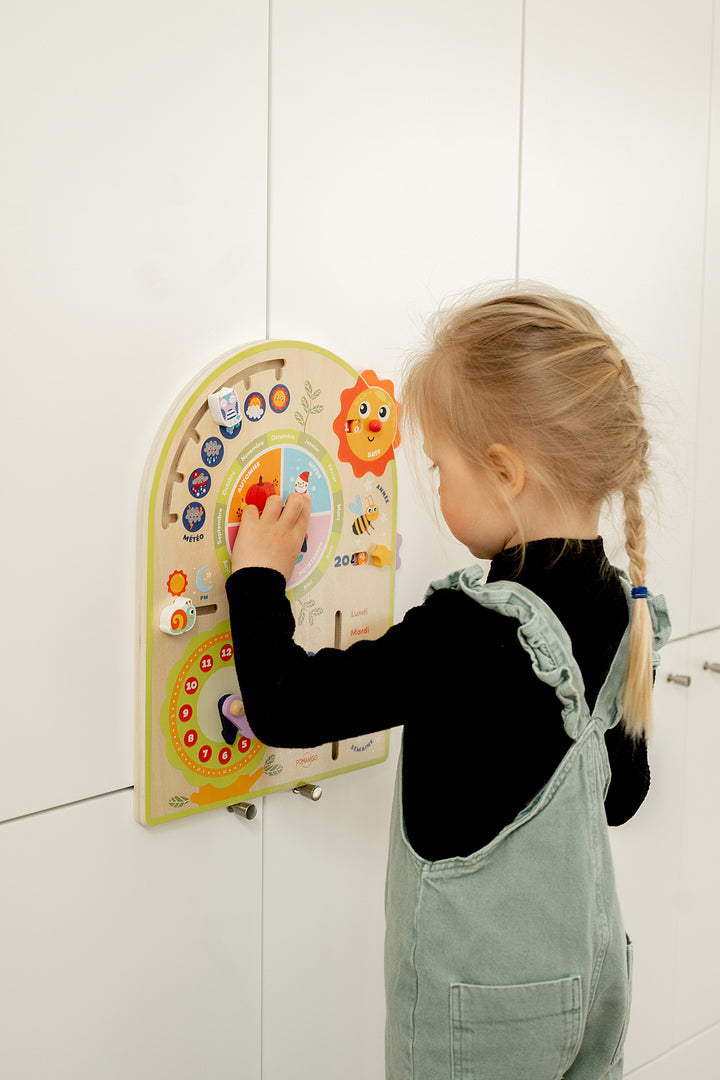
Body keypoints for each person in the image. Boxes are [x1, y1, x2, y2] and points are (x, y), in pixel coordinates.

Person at [225, 287, 671, 1080]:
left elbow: (283, 706)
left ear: (503, 471)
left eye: (438, 467)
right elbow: (620, 795)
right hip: (591, 981)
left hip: (484, 1014)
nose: (435, 487)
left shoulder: (468, 629)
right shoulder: (618, 599)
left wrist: (258, 576)